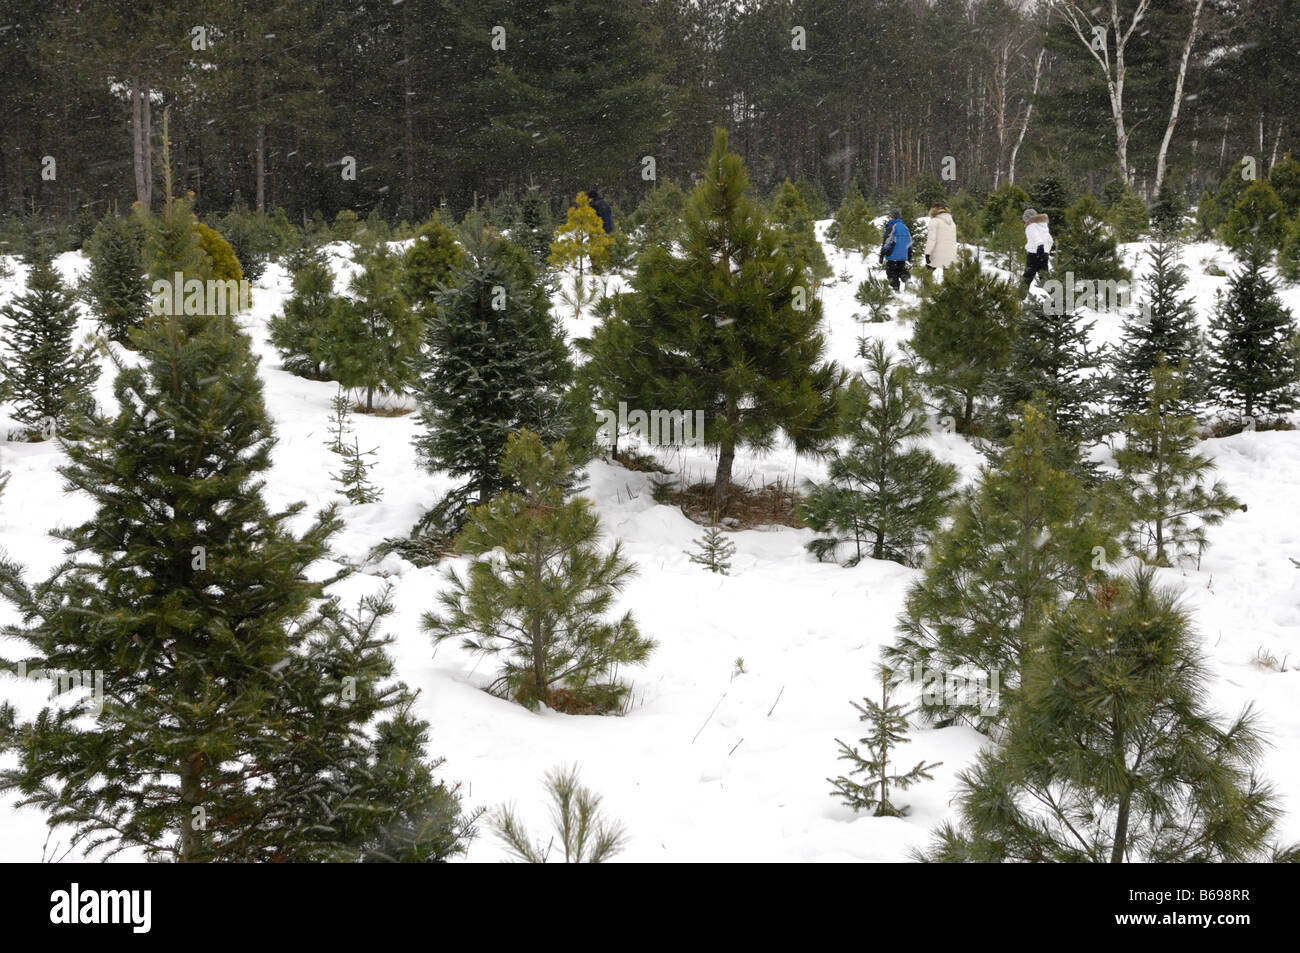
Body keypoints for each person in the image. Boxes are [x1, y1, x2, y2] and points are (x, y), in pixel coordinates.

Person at [878, 209, 912, 291]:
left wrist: (882, 253)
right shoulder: (905, 227)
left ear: (893, 217)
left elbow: (887, 241)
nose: (888, 218)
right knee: (901, 269)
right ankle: (907, 279)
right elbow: (909, 242)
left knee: (891, 272)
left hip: (892, 254)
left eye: (889, 217)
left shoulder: (892, 227)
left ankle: (896, 289)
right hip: (903, 254)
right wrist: (909, 254)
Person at [1021, 207, 1053, 289]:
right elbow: (1050, 240)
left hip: (1033, 254)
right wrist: (1046, 251)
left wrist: (1040, 246)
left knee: (1027, 277)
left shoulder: (1031, 226)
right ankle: (1053, 297)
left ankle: (1019, 296)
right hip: (1044, 254)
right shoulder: (1043, 226)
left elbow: (1036, 237)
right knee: (1044, 277)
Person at [923, 202, 957, 274]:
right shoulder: (952, 223)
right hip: (950, 255)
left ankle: (923, 285)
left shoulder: (934, 221)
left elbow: (932, 240)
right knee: (948, 279)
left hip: (937, 254)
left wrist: (927, 253)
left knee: (926, 273)